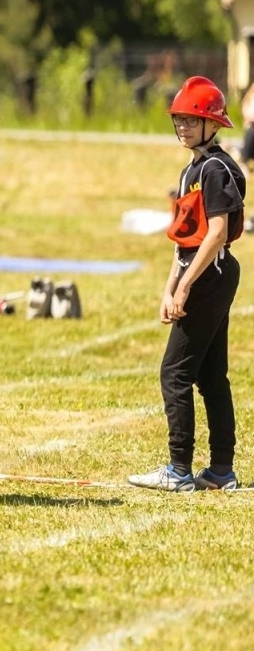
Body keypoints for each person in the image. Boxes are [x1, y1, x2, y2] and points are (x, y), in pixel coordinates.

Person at [129, 77, 245, 492]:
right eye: (179, 118)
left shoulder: (215, 169)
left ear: (213, 124)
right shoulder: (191, 170)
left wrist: (184, 287)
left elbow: (216, 233)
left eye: (193, 119)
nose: (183, 125)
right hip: (203, 271)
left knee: (174, 372)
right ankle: (220, 471)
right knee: (211, 375)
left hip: (210, 274)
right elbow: (185, 237)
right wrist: (168, 285)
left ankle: (178, 470)